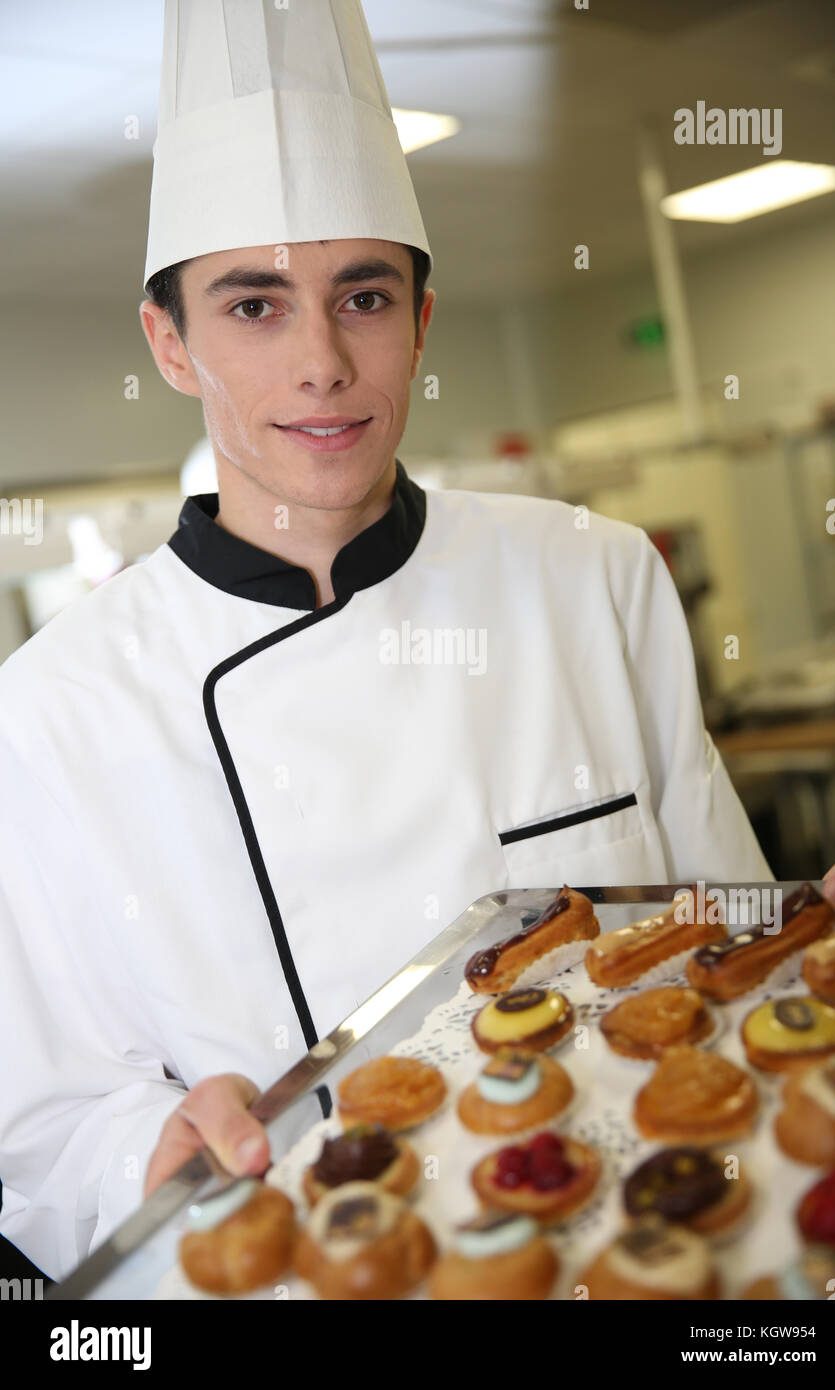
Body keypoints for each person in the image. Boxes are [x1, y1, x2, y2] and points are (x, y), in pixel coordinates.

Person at [0, 0, 772, 1284]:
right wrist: (147, 1148)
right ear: (170, 344)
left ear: (419, 320)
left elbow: (721, 946)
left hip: (643, 1250)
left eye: (360, 295)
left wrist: (827, 932)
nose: (321, 364)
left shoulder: (591, 575)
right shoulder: (49, 711)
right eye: (253, 306)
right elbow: (43, 1132)